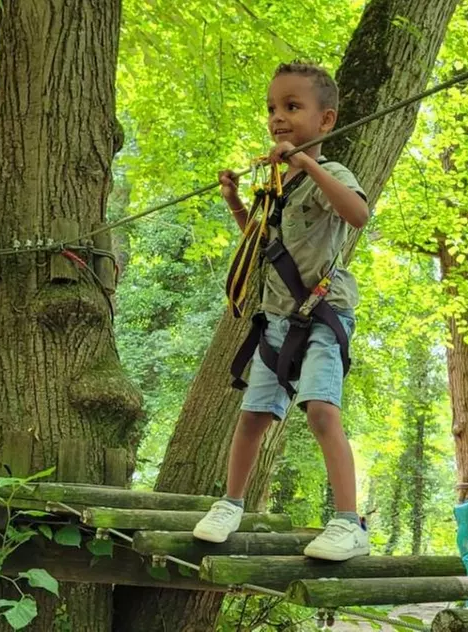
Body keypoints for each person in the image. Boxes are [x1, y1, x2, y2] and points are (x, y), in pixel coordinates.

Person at [192, 62, 370, 561]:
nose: (278, 117)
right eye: (273, 108)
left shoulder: (330, 173)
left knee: (320, 410)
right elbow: (264, 244)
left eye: (292, 107)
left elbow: (358, 215)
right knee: (252, 415)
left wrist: (308, 164)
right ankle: (230, 503)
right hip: (276, 316)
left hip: (323, 312)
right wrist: (234, 202)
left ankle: (347, 521)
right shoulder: (274, 184)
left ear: (326, 120)